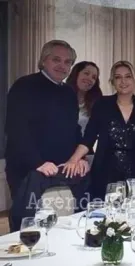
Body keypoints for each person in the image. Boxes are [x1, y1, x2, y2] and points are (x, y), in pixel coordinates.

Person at [5, 40, 89, 231]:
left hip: (61, 172)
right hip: (28, 170)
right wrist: (38, 163)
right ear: (43, 61)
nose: (62, 66)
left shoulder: (69, 92)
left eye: (68, 62)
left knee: (63, 225)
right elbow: (16, 129)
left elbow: (74, 130)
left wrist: (80, 158)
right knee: (28, 229)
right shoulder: (24, 86)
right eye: (56, 59)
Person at [65, 61, 135, 199]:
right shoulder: (102, 103)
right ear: (112, 81)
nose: (123, 81)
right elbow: (89, 137)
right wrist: (73, 160)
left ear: (134, 79)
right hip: (105, 171)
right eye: (118, 77)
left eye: (128, 76)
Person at [66, 61, 102, 135]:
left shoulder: (96, 103)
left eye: (94, 77)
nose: (89, 79)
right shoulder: (61, 97)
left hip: (84, 145)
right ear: (76, 74)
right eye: (86, 73)